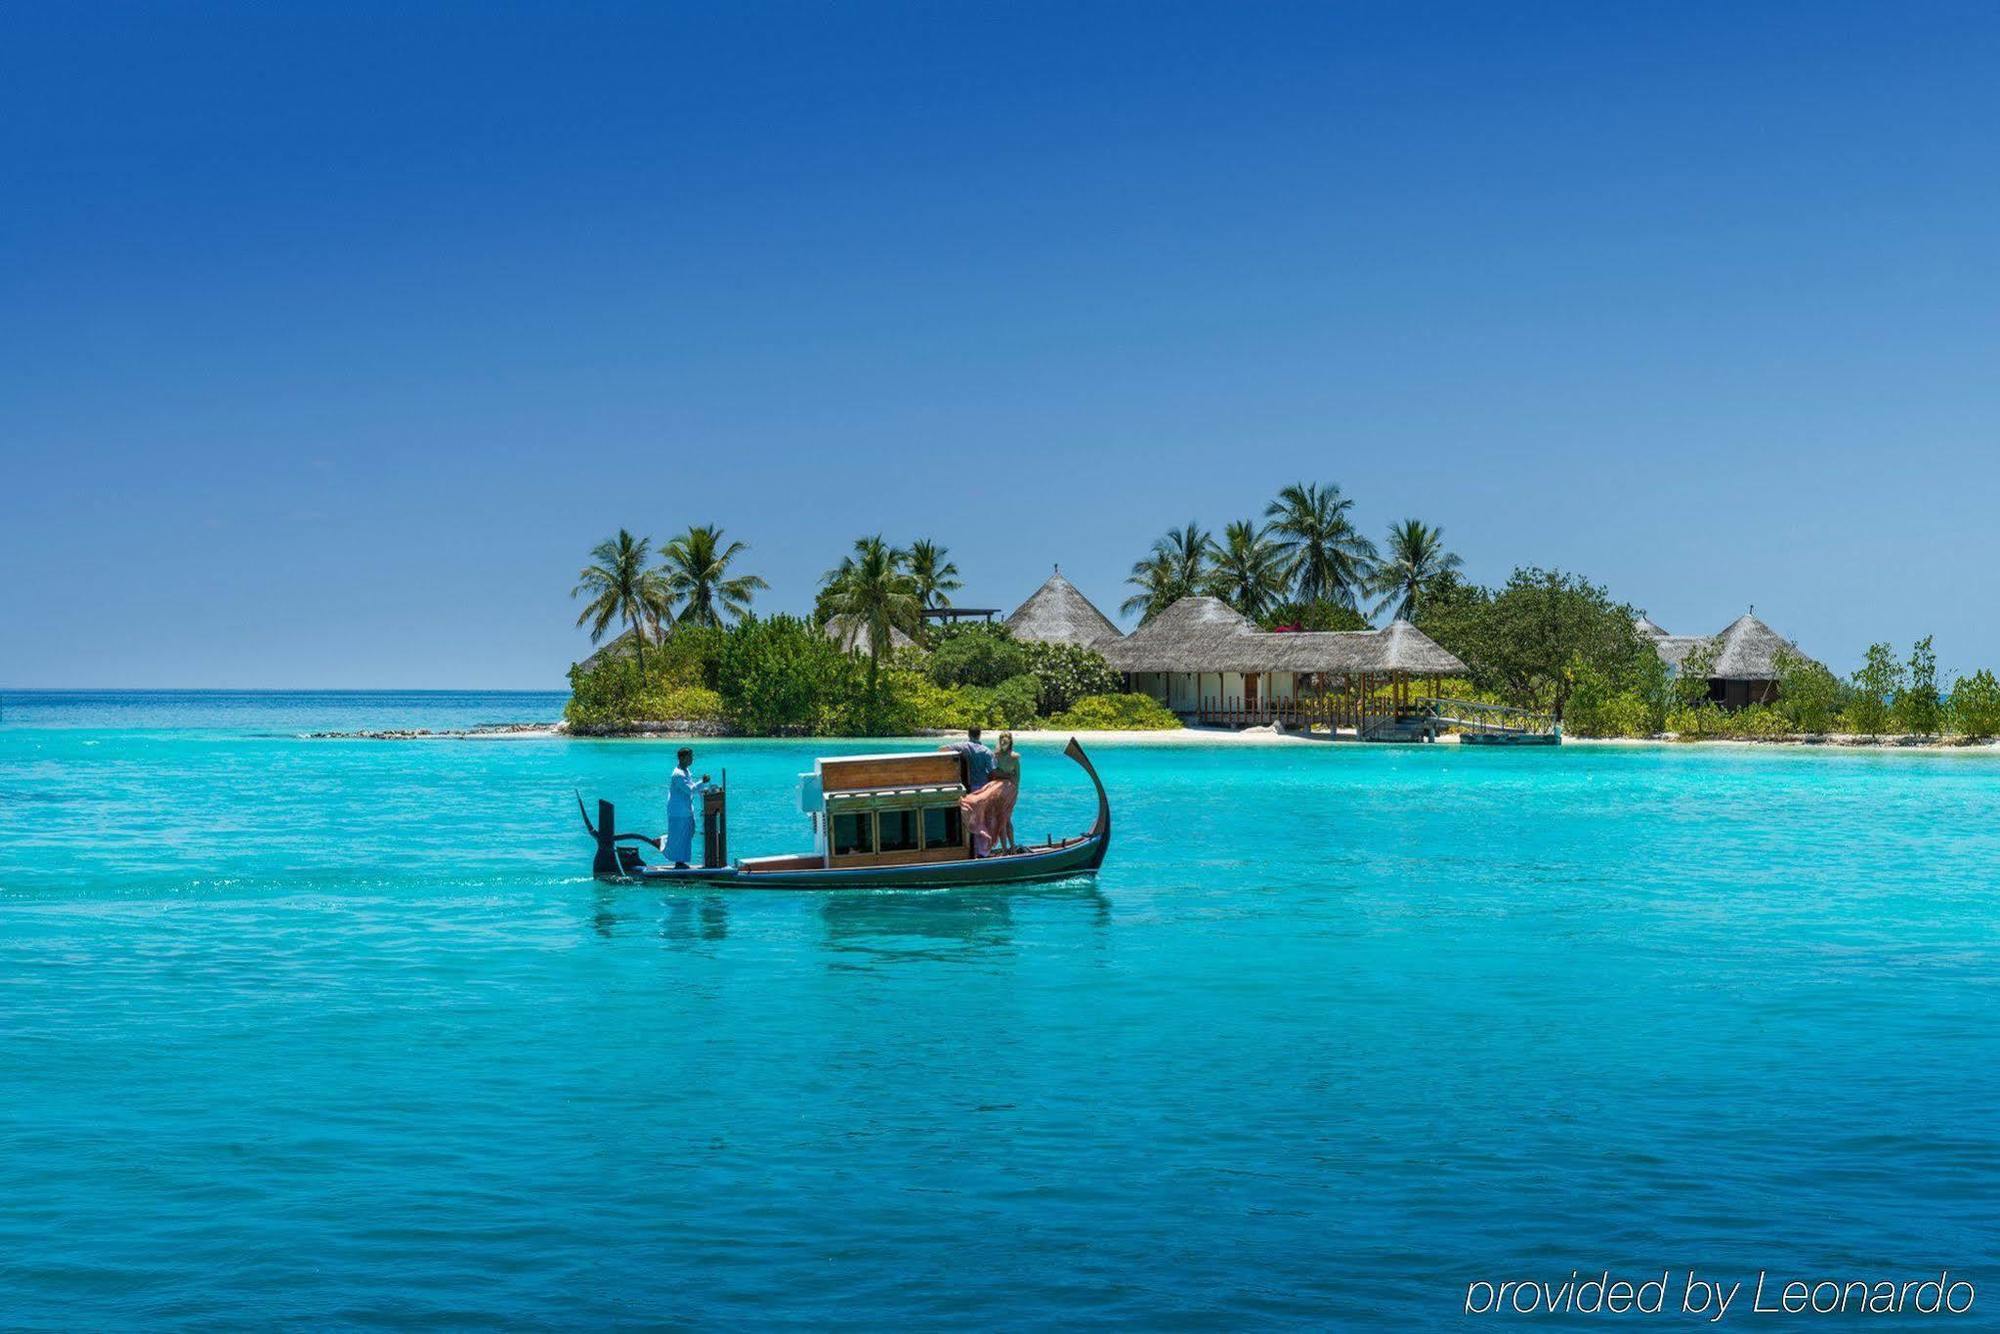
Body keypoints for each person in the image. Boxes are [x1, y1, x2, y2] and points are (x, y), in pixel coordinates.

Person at [960, 731, 1020, 857]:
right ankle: (1005, 850)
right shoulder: (995, 755)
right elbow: (993, 773)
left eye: (1006, 738)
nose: (1004, 740)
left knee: (1006, 820)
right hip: (996, 790)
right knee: (1001, 820)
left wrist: (1012, 795)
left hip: (1008, 791)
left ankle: (1012, 848)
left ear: (1010, 741)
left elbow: (1017, 779)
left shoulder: (1015, 757)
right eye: (1002, 738)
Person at [662, 747, 711, 869]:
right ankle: (678, 862)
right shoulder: (678, 774)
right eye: (690, 757)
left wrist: (703, 790)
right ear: (682, 758)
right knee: (681, 835)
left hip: (686, 809)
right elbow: (690, 789)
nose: (692, 759)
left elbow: (691, 788)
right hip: (678, 811)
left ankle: (669, 847)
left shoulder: (686, 771)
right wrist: (702, 782)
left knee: (689, 832)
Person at [938, 726, 994, 792]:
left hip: (968, 786)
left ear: (969, 735)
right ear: (979, 735)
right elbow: (992, 771)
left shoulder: (963, 746)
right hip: (984, 786)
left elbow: (942, 749)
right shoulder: (987, 751)